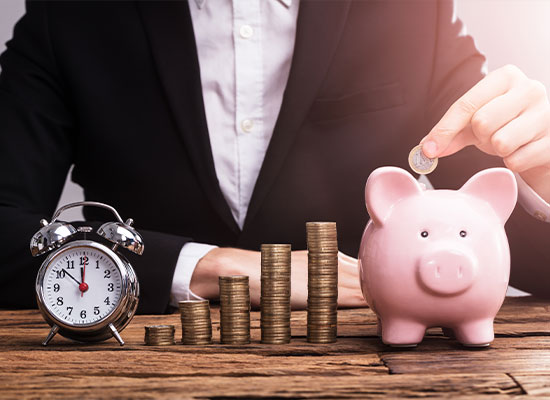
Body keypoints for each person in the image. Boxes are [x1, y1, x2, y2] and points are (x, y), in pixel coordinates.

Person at [0, 0, 549, 314]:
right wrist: (210, 266)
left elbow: (507, 242)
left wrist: (543, 177)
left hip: (364, 369)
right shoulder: (68, 17)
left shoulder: (410, 15)